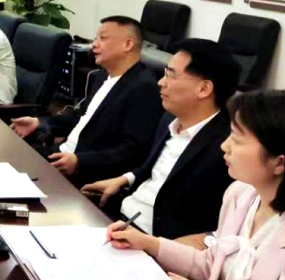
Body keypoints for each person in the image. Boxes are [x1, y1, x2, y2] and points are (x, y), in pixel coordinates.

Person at [108, 90, 285, 280]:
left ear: (279, 162)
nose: (224, 146)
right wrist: (150, 244)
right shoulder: (241, 195)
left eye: (237, 139)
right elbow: (213, 264)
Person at [81, 39, 239, 239]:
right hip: (119, 218)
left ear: (204, 89)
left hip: (153, 240)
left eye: (170, 75)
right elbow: (154, 170)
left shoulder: (227, 146)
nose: (161, 82)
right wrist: (125, 179)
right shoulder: (169, 118)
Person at [11, 16, 162, 185]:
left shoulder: (144, 88)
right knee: (7, 157)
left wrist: (79, 161)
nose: (94, 44)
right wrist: (39, 122)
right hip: (62, 155)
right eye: (95, 38)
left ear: (127, 44)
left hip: (85, 172)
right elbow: (81, 118)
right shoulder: (102, 75)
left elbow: (132, 151)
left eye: (103, 38)